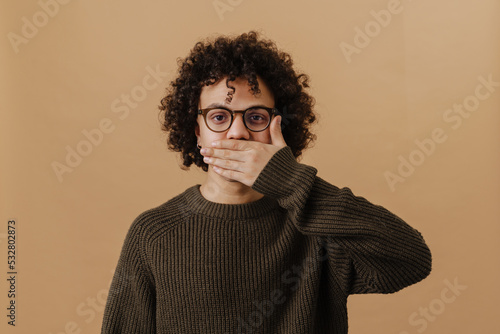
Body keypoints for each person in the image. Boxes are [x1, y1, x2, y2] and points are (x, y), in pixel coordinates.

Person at [101, 31, 432, 334]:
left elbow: (411, 260)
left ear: (281, 128)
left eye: (255, 117)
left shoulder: (318, 228)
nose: (238, 132)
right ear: (196, 130)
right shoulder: (154, 234)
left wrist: (290, 182)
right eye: (219, 117)